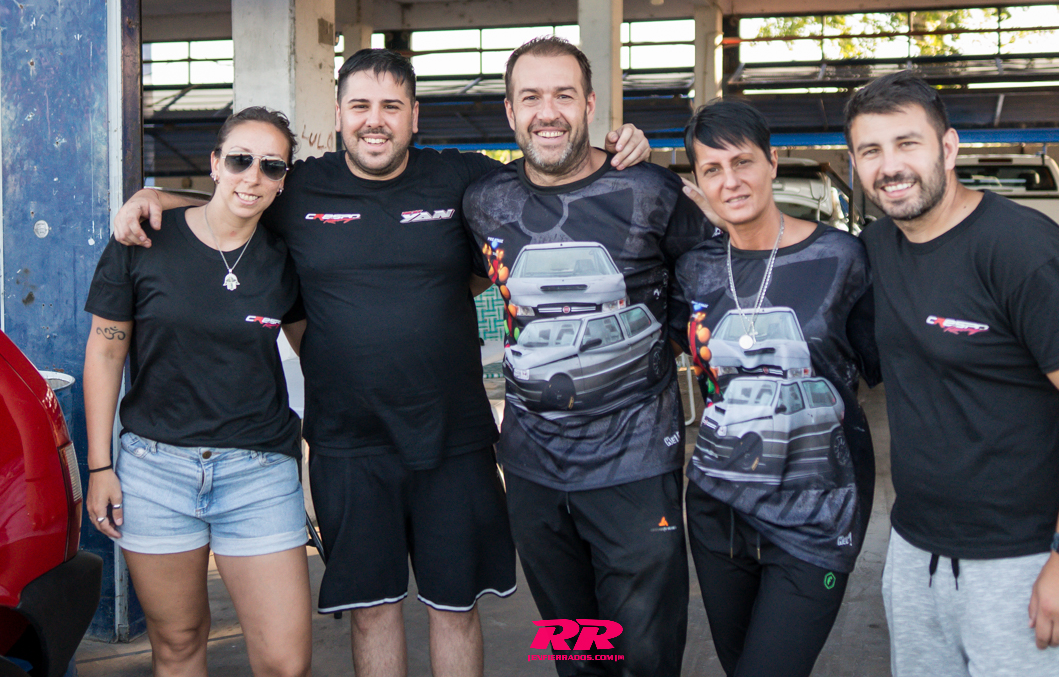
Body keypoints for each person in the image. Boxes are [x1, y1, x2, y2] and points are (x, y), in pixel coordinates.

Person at [111, 48, 652, 677]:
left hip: (453, 438)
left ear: (414, 116)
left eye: (392, 106)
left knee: (455, 608)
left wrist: (623, 149)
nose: (375, 120)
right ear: (338, 114)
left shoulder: (461, 179)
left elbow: (553, 171)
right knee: (372, 610)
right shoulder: (299, 188)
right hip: (348, 443)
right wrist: (153, 195)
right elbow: (232, 198)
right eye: (361, 106)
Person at [844, 70, 1059, 676]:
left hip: (1023, 563)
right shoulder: (875, 249)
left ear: (948, 148)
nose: (890, 167)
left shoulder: (1021, 248)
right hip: (915, 555)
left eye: (907, 144)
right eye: (871, 151)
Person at [461, 36, 715, 676]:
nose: (548, 112)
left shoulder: (650, 190)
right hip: (532, 472)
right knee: (578, 654)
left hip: (635, 468)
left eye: (564, 96)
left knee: (644, 658)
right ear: (511, 112)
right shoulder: (486, 201)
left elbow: (711, 293)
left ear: (591, 105)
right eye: (531, 97)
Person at [85, 107, 311, 677]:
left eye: (271, 166)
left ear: (283, 180)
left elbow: (319, 354)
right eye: (239, 160)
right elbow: (106, 353)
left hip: (259, 472)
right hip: (154, 472)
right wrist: (99, 466)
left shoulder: (286, 257)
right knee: (179, 644)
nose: (252, 176)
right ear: (214, 163)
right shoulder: (142, 239)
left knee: (285, 662)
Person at [671, 99, 881, 677]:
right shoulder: (695, 270)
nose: (730, 181)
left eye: (742, 162)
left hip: (816, 516)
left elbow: (893, 368)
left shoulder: (841, 258)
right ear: (699, 181)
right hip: (717, 511)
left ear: (772, 163)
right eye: (712, 169)